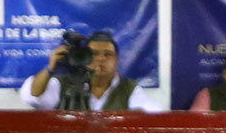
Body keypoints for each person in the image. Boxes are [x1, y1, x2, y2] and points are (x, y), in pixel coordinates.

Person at [19, 30, 162, 112]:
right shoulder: (65, 83)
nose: (101, 59)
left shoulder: (128, 88)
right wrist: (50, 68)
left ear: (116, 60)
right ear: (83, 57)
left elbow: (154, 112)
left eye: (107, 54)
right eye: (94, 54)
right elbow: (33, 96)